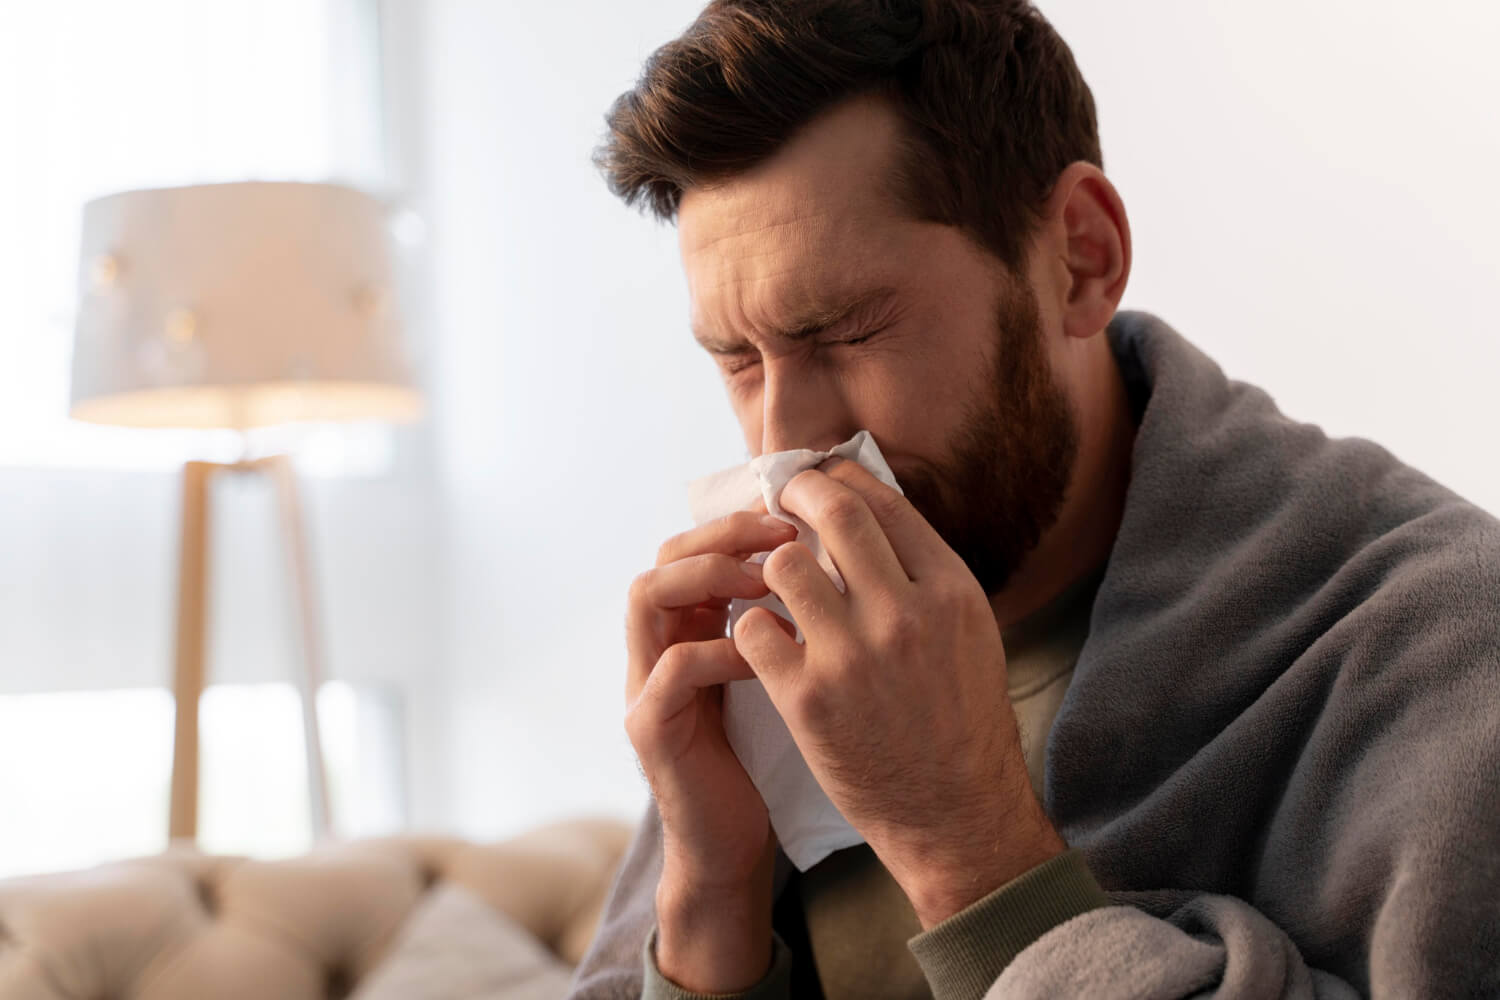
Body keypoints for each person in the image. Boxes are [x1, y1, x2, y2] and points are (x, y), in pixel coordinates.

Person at [567, 2, 1500, 998]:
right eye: (739, 358)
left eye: (846, 331)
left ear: (1081, 259)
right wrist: (709, 894)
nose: (780, 442)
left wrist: (967, 850)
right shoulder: (780, 647)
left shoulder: (1442, 648)